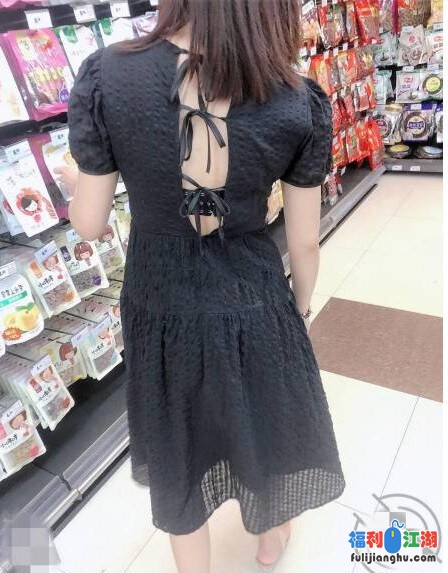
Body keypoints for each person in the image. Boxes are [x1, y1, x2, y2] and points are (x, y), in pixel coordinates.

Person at [57, 1, 346, 571]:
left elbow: (89, 223)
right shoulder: (294, 97)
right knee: (265, 422)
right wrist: (301, 307)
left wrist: (74, 179)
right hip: (254, 295)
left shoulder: (108, 74)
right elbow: (304, 241)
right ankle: (270, 542)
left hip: (160, 299)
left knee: (177, 446)